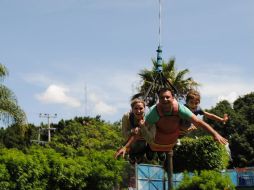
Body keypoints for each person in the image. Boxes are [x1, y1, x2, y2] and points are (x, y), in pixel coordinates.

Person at [115, 87, 228, 159]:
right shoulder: (154, 112)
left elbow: (199, 122)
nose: (164, 99)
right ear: (159, 100)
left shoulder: (180, 108)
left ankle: (163, 148)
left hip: (172, 139)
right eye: (162, 98)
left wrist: (215, 134)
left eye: (167, 97)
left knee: (186, 123)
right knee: (145, 129)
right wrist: (126, 146)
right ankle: (146, 151)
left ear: (173, 98)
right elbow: (140, 131)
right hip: (156, 141)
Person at [118, 98, 147, 164]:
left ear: (144, 109)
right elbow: (124, 134)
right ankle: (132, 155)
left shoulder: (148, 117)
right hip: (130, 141)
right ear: (132, 109)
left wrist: (143, 128)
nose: (138, 111)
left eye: (141, 109)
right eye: (136, 109)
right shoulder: (126, 117)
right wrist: (132, 131)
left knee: (142, 143)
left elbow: (151, 136)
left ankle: (142, 155)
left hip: (144, 141)